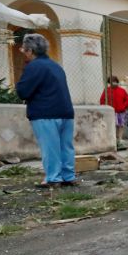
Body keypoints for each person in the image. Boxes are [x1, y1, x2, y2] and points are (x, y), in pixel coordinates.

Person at [15, 34, 77, 188]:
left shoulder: (34, 66)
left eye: (24, 49)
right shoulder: (56, 66)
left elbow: (23, 91)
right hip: (65, 112)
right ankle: (68, 176)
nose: (24, 52)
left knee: (50, 148)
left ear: (30, 50)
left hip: (45, 113)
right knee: (66, 146)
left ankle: (53, 178)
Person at [100, 75, 128, 143]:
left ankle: (120, 138)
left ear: (117, 82)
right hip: (111, 112)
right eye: (112, 82)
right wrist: (106, 108)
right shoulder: (106, 90)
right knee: (113, 125)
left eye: (115, 81)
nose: (113, 83)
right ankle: (114, 138)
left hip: (121, 111)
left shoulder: (122, 91)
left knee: (121, 125)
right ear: (109, 82)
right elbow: (102, 100)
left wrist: (123, 106)